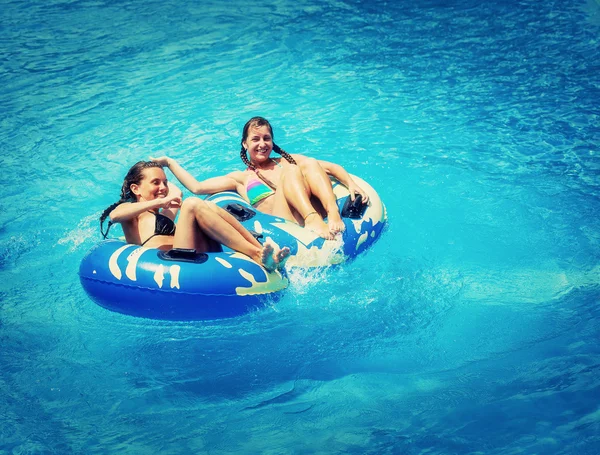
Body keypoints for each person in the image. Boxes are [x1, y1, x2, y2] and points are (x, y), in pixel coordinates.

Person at [151, 116, 368, 239]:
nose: (262, 144)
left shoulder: (284, 160)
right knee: (294, 170)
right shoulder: (241, 178)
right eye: (255, 139)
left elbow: (330, 167)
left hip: (317, 210)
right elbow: (197, 188)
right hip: (286, 221)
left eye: (267, 138)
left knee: (308, 163)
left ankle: (332, 214)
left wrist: (352, 185)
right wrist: (170, 163)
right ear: (245, 144)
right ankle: (312, 220)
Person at [99, 161, 289, 272]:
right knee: (192, 204)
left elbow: (176, 192)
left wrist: (165, 164)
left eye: (164, 182)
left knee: (206, 205)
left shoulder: (163, 213)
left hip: (192, 251)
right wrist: (159, 201)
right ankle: (256, 254)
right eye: (155, 182)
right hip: (177, 259)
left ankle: (260, 251)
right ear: (135, 188)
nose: (163, 187)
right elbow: (115, 216)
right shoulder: (132, 213)